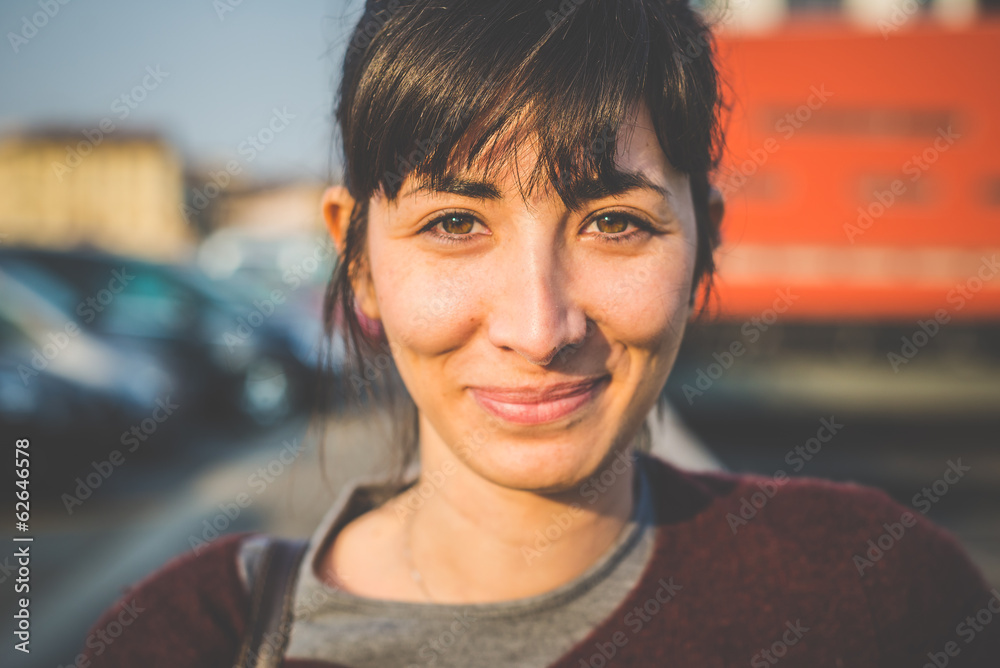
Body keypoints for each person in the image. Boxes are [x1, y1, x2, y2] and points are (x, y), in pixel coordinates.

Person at [80, 1, 1000, 666]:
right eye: (453, 224)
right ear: (356, 256)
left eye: (615, 223)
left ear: (705, 240)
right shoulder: (185, 638)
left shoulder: (876, 598)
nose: (539, 326)